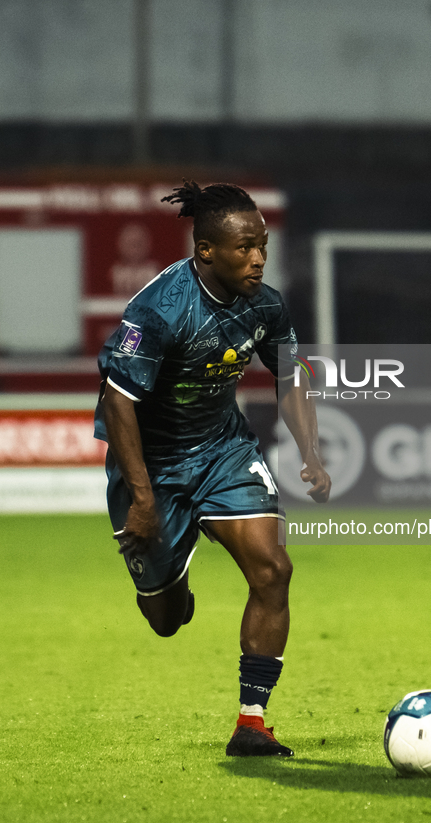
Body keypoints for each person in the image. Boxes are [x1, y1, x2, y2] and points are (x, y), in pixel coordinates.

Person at [94, 180, 331, 757]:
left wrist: (311, 454)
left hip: (224, 452)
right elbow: (117, 402)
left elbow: (290, 375)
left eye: (263, 246)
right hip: (153, 468)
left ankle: (252, 723)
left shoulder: (266, 304)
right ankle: (169, 581)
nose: (258, 258)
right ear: (206, 250)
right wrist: (145, 502)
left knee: (273, 569)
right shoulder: (157, 310)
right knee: (167, 619)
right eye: (245, 248)